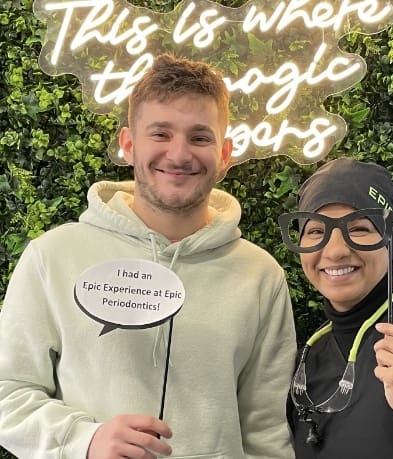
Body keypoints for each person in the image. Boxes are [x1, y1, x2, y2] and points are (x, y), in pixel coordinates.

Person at [0, 54, 297, 459]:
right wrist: (83, 440)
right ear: (128, 144)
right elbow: (7, 394)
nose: (178, 154)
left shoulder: (261, 275)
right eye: (160, 134)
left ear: (225, 153)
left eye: (199, 137)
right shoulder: (52, 256)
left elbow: (266, 430)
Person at [278, 157, 393, 458]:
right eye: (316, 232)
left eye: (359, 228)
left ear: (391, 239)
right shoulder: (305, 362)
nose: (335, 251)